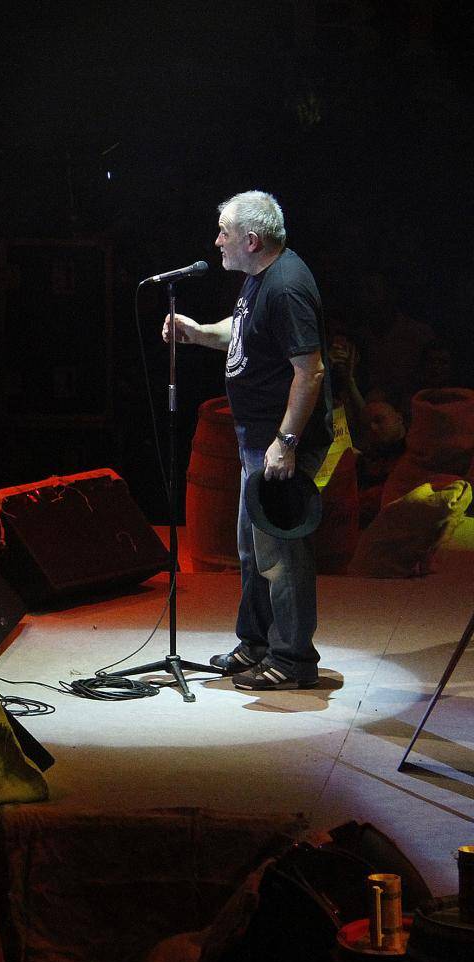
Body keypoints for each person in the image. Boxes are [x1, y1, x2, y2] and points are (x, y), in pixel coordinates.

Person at [162, 190, 333, 690]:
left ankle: (293, 658)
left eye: (225, 233)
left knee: (281, 555)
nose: (217, 241)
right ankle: (257, 644)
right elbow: (242, 335)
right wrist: (198, 334)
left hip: (279, 443)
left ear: (251, 240)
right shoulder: (260, 281)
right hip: (256, 440)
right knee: (252, 550)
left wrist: (286, 441)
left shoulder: (286, 288)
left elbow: (311, 370)